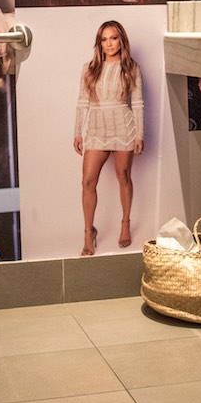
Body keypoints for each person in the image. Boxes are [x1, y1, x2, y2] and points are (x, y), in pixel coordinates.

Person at [76, 21, 144, 255]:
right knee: (87, 181)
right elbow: (82, 102)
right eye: (104, 39)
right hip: (97, 128)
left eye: (113, 38)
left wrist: (139, 134)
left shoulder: (131, 68)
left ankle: (125, 223)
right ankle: (88, 232)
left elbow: (137, 103)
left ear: (121, 41)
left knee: (123, 176)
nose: (109, 44)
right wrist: (78, 132)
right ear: (99, 43)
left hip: (123, 126)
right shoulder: (89, 68)